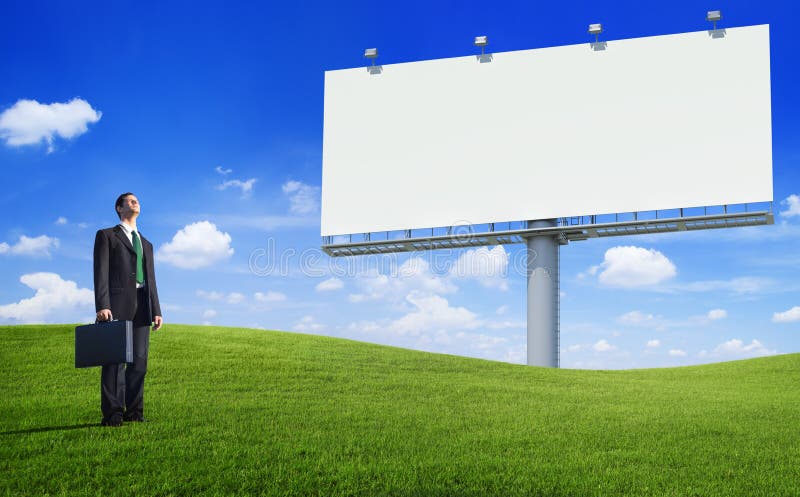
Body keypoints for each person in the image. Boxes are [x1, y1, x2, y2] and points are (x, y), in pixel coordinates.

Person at [93, 192, 163, 427]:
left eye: (137, 201)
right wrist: (103, 305)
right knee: (114, 361)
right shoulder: (106, 236)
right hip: (116, 304)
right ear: (119, 208)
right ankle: (113, 414)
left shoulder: (147, 244)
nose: (136, 203)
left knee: (139, 361)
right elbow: (100, 272)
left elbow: (151, 279)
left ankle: (135, 412)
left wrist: (157, 309)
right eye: (130, 201)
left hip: (143, 305)